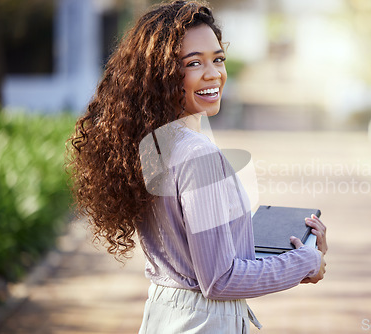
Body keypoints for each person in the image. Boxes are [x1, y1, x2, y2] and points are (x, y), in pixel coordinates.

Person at [67, 1, 327, 333]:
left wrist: (287, 255)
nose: (213, 73)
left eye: (218, 59)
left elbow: (197, 255)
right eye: (193, 63)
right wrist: (306, 260)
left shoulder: (152, 144)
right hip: (203, 322)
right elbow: (219, 279)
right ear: (161, 74)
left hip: (165, 314)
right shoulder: (197, 156)